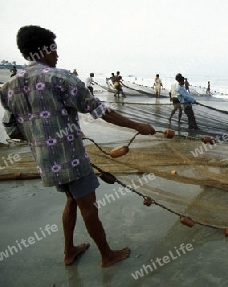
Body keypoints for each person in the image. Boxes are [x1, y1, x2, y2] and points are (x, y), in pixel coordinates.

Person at [1, 25, 156, 267]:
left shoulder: (8, 88)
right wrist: (139, 127)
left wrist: (41, 136)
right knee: (89, 206)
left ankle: (69, 251)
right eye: (53, 49)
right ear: (43, 50)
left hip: (46, 162)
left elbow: (12, 130)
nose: (57, 55)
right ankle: (107, 255)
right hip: (72, 158)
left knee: (72, 200)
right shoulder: (60, 78)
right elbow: (102, 111)